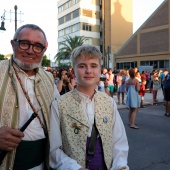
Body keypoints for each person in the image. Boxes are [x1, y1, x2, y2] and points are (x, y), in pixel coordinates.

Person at [51, 45, 129, 170]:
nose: (88, 71)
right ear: (73, 72)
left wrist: (120, 165)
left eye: (93, 66)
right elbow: (54, 149)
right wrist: (74, 168)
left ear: (99, 70)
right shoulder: (59, 105)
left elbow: (119, 141)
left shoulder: (109, 102)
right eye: (82, 66)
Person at [0, 24, 61, 169]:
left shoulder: (48, 78)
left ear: (44, 50)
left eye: (37, 46)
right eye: (24, 43)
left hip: (41, 164)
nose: (30, 51)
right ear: (13, 43)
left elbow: (61, 113)